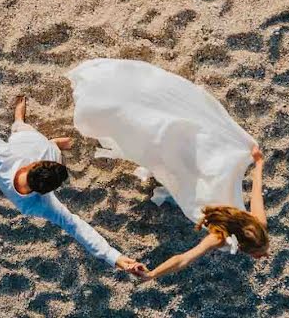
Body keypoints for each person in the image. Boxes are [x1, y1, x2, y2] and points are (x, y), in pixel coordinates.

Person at [0, 63, 146, 276]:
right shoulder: (43, 203)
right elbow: (76, 226)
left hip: (31, 143)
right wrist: (113, 256)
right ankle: (47, 140)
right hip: (37, 144)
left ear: (32, 165)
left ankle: (33, 130)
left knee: (22, 130)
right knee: (35, 136)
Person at [66, 58, 269, 280]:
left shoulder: (258, 223)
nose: (264, 255)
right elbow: (183, 259)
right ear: (241, 246)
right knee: (168, 160)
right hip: (196, 191)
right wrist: (153, 274)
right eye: (260, 254)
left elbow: (257, 190)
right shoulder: (219, 237)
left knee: (180, 154)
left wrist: (258, 163)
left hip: (211, 180)